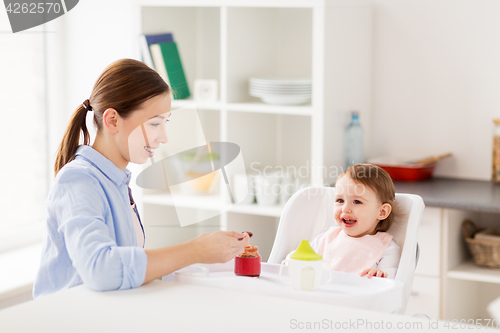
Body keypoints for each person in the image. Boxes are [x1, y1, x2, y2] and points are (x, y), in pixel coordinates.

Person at [33, 59, 250, 298]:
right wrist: (195, 250)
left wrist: (213, 255)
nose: (163, 137)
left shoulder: (116, 181)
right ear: (112, 120)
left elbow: (126, 268)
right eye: (155, 123)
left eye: (164, 122)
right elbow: (100, 269)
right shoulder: (78, 181)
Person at [310, 164, 400, 279]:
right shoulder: (327, 238)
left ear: (382, 212)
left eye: (357, 202)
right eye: (340, 200)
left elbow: (390, 284)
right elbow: (300, 259)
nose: (345, 209)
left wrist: (379, 275)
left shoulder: (386, 248)